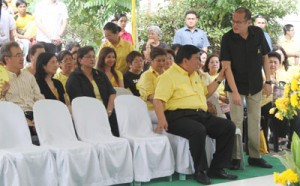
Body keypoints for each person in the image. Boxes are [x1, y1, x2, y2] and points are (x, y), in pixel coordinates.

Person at [154, 45, 237, 185]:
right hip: (177, 116)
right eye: (197, 58)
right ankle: (200, 171)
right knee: (198, 130)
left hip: (200, 114)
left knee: (228, 126)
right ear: (185, 60)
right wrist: (161, 119)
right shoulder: (168, 76)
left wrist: (219, 78)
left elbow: (205, 93)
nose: (200, 62)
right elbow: (158, 99)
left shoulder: (195, 74)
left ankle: (217, 168)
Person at [220, 7, 272, 169]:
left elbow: (265, 58)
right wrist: (234, 92)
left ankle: (255, 156)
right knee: (236, 122)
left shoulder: (258, 33)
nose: (235, 25)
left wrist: (268, 81)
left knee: (255, 120)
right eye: (233, 21)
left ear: (248, 23)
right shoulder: (227, 38)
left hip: (255, 84)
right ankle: (236, 157)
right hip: (234, 85)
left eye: (239, 22)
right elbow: (226, 67)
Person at [66, 46, 119, 137]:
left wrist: (109, 111)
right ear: (80, 60)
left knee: (119, 132)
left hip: (107, 113)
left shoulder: (99, 74)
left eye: (93, 56)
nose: (92, 59)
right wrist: (99, 114)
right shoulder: (74, 78)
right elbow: (79, 102)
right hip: (88, 116)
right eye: (88, 56)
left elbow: (112, 92)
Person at [0, 41, 44, 145]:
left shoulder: (29, 76)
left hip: (36, 116)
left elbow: (39, 98)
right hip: (15, 118)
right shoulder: (2, 78)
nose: (22, 58)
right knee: (34, 141)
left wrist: (38, 116)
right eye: (18, 55)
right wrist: (3, 93)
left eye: (22, 55)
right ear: (7, 59)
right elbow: (2, 108)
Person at [138, 47, 166, 123]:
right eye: (159, 61)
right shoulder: (146, 75)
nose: (162, 63)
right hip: (151, 110)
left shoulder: (167, 75)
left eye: (164, 60)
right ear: (151, 61)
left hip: (167, 108)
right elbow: (151, 97)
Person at [14, 0, 36, 65]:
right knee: (26, 43)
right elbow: (15, 33)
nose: (23, 8)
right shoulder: (15, 18)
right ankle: (24, 63)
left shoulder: (30, 16)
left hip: (32, 37)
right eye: (20, 7)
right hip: (21, 38)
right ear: (17, 8)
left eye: (24, 6)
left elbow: (35, 27)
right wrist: (26, 37)